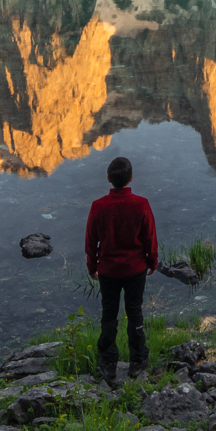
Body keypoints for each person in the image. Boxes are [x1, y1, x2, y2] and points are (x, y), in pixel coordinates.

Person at [85, 155, 157, 381]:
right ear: (131, 178)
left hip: (108, 271)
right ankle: (138, 362)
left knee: (109, 315)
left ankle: (108, 363)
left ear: (108, 179)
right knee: (135, 313)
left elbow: (90, 242)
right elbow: (150, 238)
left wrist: (92, 266)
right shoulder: (141, 204)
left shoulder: (98, 207)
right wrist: (152, 262)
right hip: (135, 270)